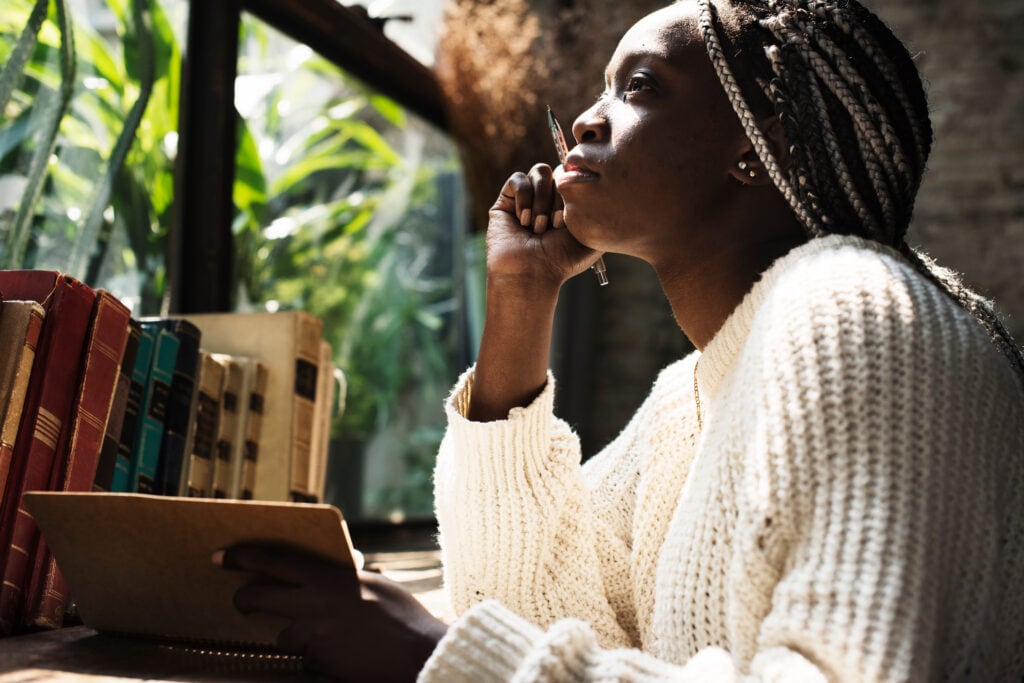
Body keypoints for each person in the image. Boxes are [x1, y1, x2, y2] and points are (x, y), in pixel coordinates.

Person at [215, 0, 1024, 680]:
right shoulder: (691, 393)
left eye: (640, 87)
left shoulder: (857, 312)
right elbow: (527, 604)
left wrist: (439, 654)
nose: (585, 120)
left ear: (759, 148)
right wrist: (522, 300)